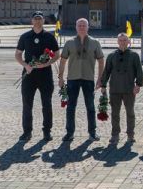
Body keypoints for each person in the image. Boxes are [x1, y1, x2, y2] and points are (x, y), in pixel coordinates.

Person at [57, 18, 104, 141]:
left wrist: (100, 78)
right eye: (80, 25)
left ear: (88, 27)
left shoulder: (95, 42)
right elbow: (62, 61)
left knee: (90, 107)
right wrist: (60, 77)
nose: (82, 27)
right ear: (76, 27)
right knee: (71, 107)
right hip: (72, 79)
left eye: (84, 25)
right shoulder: (69, 42)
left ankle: (92, 132)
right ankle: (69, 132)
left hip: (89, 78)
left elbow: (101, 61)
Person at [15, 12, 60, 141]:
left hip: (45, 75)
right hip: (29, 75)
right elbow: (18, 54)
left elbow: (57, 55)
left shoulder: (49, 37)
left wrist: (47, 63)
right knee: (27, 104)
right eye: (35, 19)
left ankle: (47, 131)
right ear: (32, 21)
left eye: (40, 19)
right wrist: (25, 65)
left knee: (47, 104)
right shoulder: (25, 37)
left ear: (43, 20)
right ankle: (27, 131)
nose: (38, 21)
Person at [100, 32, 143, 142]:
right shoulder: (111, 56)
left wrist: (138, 84)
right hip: (114, 89)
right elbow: (106, 72)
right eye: (120, 40)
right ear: (117, 42)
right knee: (115, 113)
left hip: (129, 89)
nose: (123, 42)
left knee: (130, 113)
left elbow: (139, 71)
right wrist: (103, 85)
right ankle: (115, 134)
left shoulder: (134, 55)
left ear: (128, 42)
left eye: (125, 40)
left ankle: (130, 134)